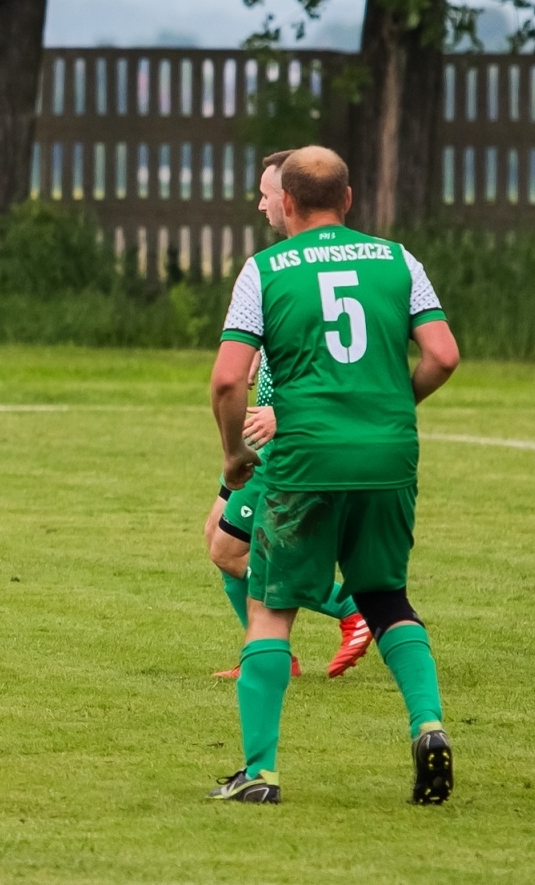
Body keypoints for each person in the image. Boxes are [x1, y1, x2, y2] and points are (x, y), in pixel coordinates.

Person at [206, 146, 460, 805]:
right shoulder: (399, 260)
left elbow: (230, 377)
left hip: (304, 458)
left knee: (271, 608)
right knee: (385, 596)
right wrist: (392, 407)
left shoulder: (265, 270)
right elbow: (443, 355)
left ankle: (259, 773)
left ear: (286, 203)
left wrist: (235, 453)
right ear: (348, 200)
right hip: (388, 456)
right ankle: (429, 726)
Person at [203, 151, 370, 680]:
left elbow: (334, 356)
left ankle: (352, 611)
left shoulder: (309, 266)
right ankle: (276, 655)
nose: (260, 204)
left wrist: (283, 409)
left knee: (230, 551)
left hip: (287, 435)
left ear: (290, 198)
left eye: (266, 194)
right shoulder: (284, 265)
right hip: (264, 430)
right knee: (216, 536)